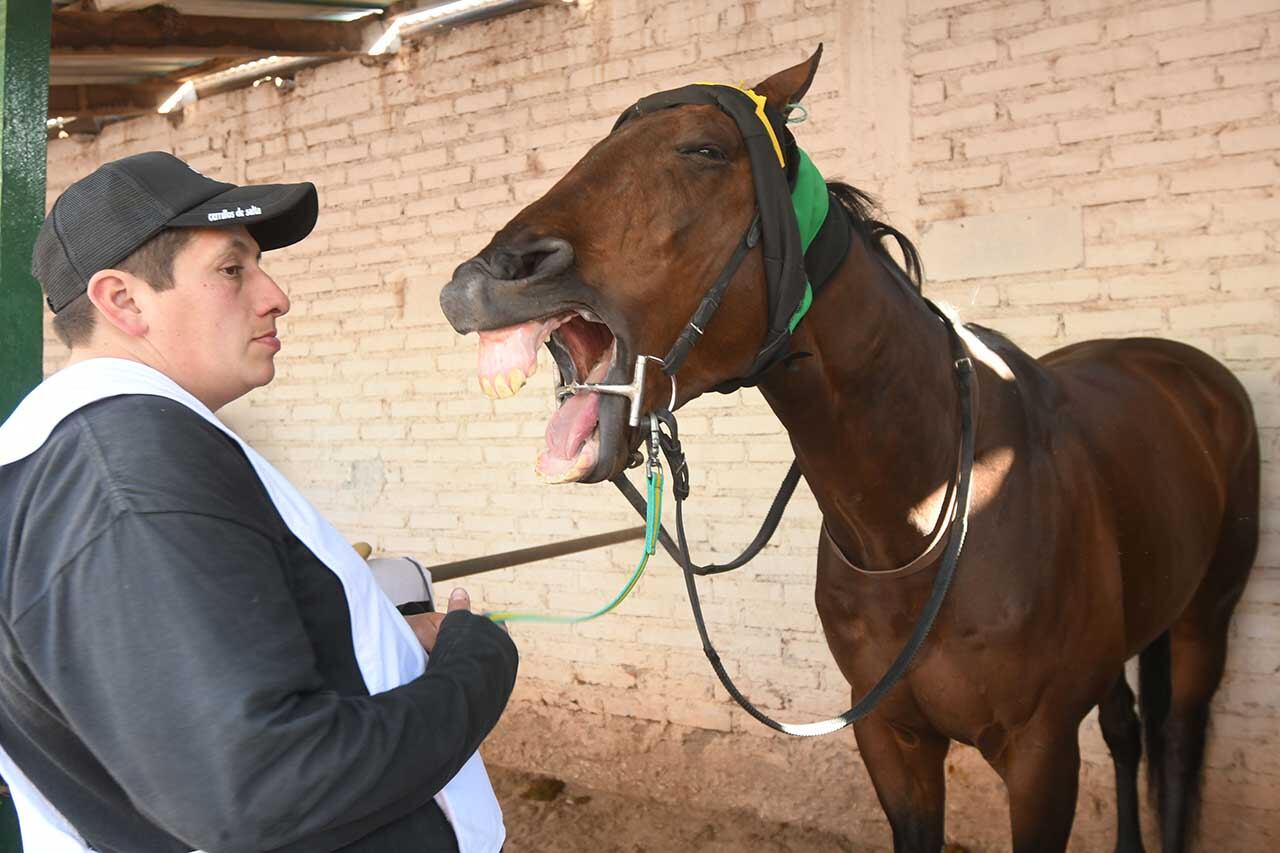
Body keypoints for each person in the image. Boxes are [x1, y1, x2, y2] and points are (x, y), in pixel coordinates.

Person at [0, 151, 518, 853]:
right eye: (232, 269)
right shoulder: (130, 473)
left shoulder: (87, 457)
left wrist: (387, 645)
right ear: (123, 301)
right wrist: (476, 666)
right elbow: (266, 788)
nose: (275, 295)